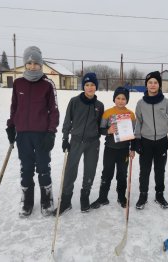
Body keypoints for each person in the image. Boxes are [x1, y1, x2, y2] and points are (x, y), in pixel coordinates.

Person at [6, 46, 60, 218]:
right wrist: (11, 126)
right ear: (25, 64)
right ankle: (27, 201)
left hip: (42, 134)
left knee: (43, 167)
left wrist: (51, 132)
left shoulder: (47, 84)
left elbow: (54, 110)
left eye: (36, 63)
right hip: (23, 134)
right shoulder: (18, 84)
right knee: (26, 168)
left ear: (41, 64)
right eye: (29, 63)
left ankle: (47, 200)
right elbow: (14, 107)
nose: (32, 66)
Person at [55, 72, 104, 215]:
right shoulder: (74, 101)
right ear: (83, 86)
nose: (90, 87)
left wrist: (109, 130)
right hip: (76, 141)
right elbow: (67, 121)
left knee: (90, 170)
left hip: (92, 143)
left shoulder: (99, 105)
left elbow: (101, 126)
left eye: (92, 85)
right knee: (70, 171)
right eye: (87, 85)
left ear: (96, 87)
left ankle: (85, 197)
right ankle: (65, 201)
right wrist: (65, 138)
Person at [134, 71, 168, 210]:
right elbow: (138, 122)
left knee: (160, 170)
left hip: (161, 141)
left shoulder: (166, 102)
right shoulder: (141, 103)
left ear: (159, 85)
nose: (152, 85)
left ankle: (159, 194)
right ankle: (143, 195)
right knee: (144, 170)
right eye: (150, 82)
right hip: (146, 141)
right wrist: (137, 139)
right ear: (146, 85)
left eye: (155, 82)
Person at [90, 87, 136, 209]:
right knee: (107, 173)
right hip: (110, 149)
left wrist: (133, 149)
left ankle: (121, 197)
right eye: (118, 98)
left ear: (127, 100)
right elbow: (101, 130)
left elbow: (134, 134)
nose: (121, 101)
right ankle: (102, 197)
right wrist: (108, 130)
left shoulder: (131, 114)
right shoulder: (108, 112)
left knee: (122, 174)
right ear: (114, 99)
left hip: (124, 150)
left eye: (124, 98)